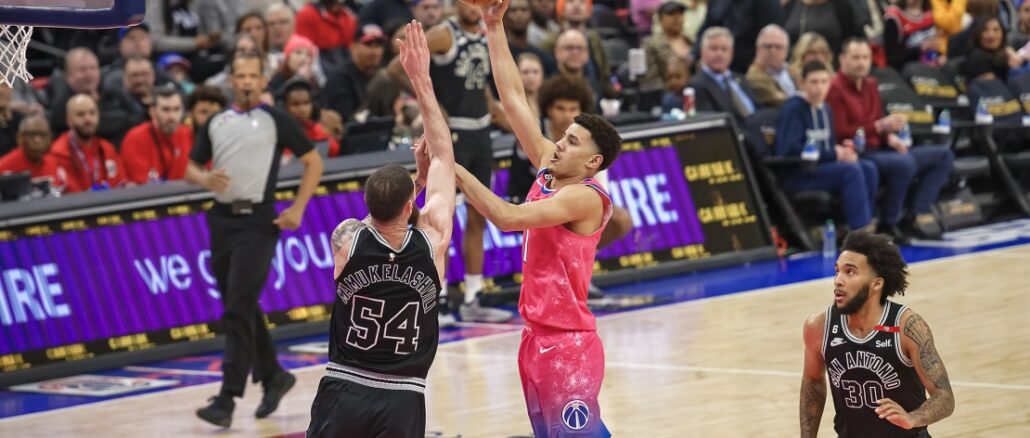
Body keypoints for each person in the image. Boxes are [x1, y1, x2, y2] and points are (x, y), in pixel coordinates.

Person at [469, 1, 623, 435]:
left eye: (571, 141)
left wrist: (454, 167)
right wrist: (493, 25)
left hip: (567, 343)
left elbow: (506, 217)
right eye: (562, 134)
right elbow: (514, 97)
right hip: (535, 338)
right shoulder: (548, 167)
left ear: (592, 161)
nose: (558, 143)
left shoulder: (585, 199)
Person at [305, 21, 454, 437]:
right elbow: (444, 153)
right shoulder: (433, 240)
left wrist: (414, 185)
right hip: (404, 395)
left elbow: (385, 214)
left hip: (343, 387)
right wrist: (421, 79)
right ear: (411, 204)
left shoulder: (347, 238)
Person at [187, 50, 324, 428]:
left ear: (263, 81)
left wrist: (297, 209)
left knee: (237, 307)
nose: (246, 81)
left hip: (259, 223)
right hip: (221, 221)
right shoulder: (216, 121)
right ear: (231, 80)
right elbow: (190, 167)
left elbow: (313, 161)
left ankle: (227, 398)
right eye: (240, 75)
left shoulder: (275, 119)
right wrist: (204, 179)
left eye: (253, 75)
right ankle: (275, 376)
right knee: (241, 305)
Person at [388, 2, 512, 324]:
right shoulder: (445, 34)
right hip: (451, 134)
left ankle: (473, 294)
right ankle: (437, 297)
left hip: (481, 133)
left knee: (479, 214)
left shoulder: (487, 32)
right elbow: (396, 67)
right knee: (440, 216)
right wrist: (432, 104)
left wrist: (500, 114)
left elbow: (478, 84)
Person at [800, 231, 955, 437]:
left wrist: (912, 418)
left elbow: (944, 397)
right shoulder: (819, 326)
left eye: (850, 272)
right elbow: (812, 381)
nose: (838, 280)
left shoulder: (907, 326)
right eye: (837, 271)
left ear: (876, 283)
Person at [827, 38, 954, 241]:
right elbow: (840, 132)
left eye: (865, 57)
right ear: (842, 59)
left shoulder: (871, 84)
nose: (861, 62)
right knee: (902, 163)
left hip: (880, 148)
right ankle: (889, 222)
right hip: (858, 152)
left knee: (942, 155)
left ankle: (915, 213)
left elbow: (878, 123)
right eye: (856, 57)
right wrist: (879, 127)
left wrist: (889, 137)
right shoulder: (835, 88)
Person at [775, 61, 878, 232]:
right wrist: (833, 154)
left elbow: (829, 147)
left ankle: (862, 223)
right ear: (802, 83)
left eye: (824, 82)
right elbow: (788, 149)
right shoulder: (794, 108)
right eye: (814, 82)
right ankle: (860, 231)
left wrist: (844, 152)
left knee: (868, 167)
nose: (820, 87)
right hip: (798, 172)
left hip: (822, 168)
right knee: (851, 172)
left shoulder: (826, 109)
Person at [49, 94, 128, 194]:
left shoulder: (108, 149)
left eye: (92, 113)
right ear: (69, 120)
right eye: (80, 114)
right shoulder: (57, 153)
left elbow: (122, 185)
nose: (88, 119)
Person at [688, 26, 761, 128]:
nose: (719, 54)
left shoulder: (740, 78)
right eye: (714, 48)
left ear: (731, 53)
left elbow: (758, 109)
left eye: (724, 49)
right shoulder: (696, 85)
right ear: (702, 52)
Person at [121, 84, 194, 184]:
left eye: (176, 109)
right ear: (152, 112)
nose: (172, 116)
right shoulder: (135, 138)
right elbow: (141, 186)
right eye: (165, 110)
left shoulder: (189, 134)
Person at [0, 116, 63, 188]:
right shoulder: (4, 168)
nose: (37, 140)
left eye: (43, 135)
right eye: (32, 134)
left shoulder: (55, 163)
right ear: (19, 138)